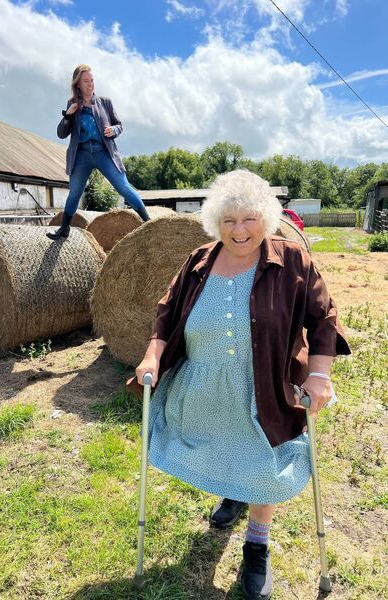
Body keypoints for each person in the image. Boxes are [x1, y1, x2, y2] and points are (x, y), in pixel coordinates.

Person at [133, 170, 350, 600]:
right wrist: (152, 355)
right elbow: (166, 313)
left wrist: (320, 375)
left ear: (266, 218)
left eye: (249, 219)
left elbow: (323, 317)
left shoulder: (292, 261)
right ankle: (233, 492)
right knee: (221, 442)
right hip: (205, 383)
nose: (239, 230)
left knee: (263, 458)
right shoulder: (198, 261)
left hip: (264, 385)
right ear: (216, 221)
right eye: (228, 220)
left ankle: (256, 543)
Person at [47, 64, 150, 240]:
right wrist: (68, 116)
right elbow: (61, 134)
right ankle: (64, 228)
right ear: (77, 84)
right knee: (74, 193)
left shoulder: (105, 102)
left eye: (92, 80)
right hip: (82, 155)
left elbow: (119, 125)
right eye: (86, 81)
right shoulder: (72, 105)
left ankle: (149, 223)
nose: (90, 84)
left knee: (124, 188)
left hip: (104, 152)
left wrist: (114, 130)